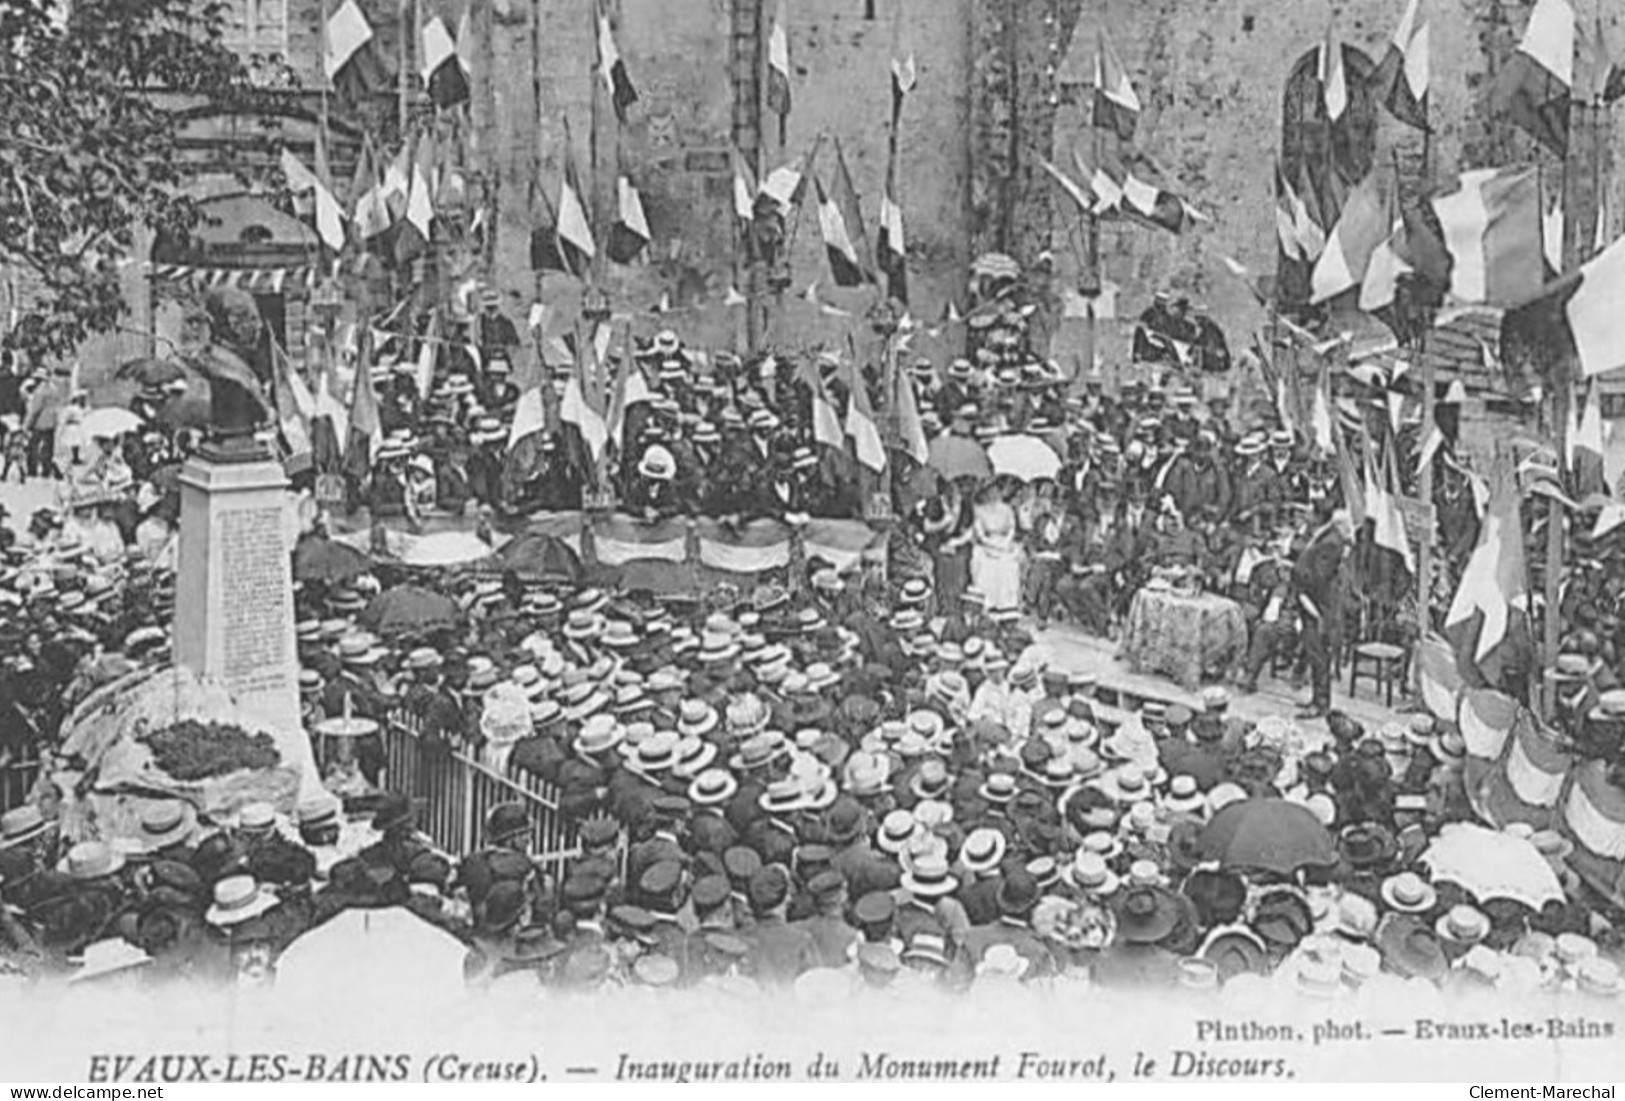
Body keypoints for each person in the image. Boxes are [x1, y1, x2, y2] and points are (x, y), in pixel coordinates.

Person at [1293, 507, 1354, 718]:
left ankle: (1320, 703)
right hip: (1316, 602)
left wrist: (1300, 582)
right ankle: (1317, 699)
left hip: (1318, 604)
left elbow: (1320, 576)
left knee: (1318, 655)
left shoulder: (1331, 542)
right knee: (1314, 653)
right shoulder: (1329, 537)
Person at [969, 482, 1022, 615]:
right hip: (987, 545)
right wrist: (990, 544)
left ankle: (1006, 602)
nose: (993, 494)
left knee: (1009, 563)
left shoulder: (1007, 509)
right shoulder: (979, 509)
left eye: (995, 490)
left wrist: (1005, 543)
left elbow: (1011, 528)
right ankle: (989, 601)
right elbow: (979, 532)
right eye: (990, 491)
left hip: (1004, 544)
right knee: (983, 561)